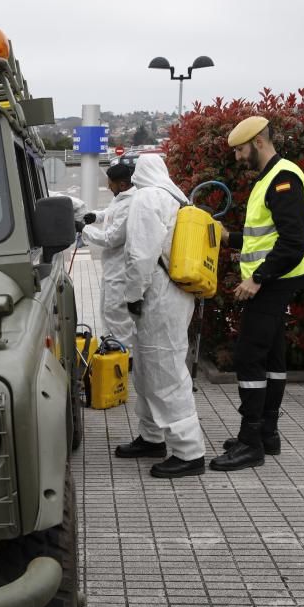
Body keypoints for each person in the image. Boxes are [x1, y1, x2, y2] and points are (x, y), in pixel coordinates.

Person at [210, 116, 304, 471]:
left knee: (248, 355)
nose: (237, 158)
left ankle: (250, 442)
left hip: (276, 280)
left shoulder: (282, 179)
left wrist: (257, 278)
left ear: (259, 142)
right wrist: (228, 237)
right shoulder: (271, 178)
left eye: (241, 150)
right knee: (273, 356)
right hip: (279, 278)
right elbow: (267, 237)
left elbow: (293, 241)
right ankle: (267, 434)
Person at [113, 154, 205, 478]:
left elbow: (140, 254)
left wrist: (132, 296)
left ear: (140, 172)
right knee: (149, 371)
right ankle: (152, 437)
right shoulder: (176, 197)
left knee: (165, 373)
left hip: (158, 297)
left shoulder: (147, 198)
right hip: (176, 295)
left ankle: (189, 451)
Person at [74, 163, 136, 353]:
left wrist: (84, 229)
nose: (108, 186)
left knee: (117, 314)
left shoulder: (130, 203)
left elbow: (111, 238)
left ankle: (126, 357)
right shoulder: (121, 198)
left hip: (120, 271)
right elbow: (111, 214)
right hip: (112, 269)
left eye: (111, 184)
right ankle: (112, 349)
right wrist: (96, 216)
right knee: (107, 312)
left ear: (123, 184)